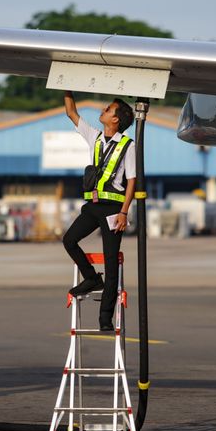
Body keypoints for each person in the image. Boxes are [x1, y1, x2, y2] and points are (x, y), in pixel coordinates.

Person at [62, 91, 136, 331]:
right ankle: (92, 278)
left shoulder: (128, 146)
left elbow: (132, 181)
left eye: (109, 109)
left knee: (112, 262)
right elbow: (71, 112)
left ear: (116, 119)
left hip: (114, 208)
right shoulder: (94, 136)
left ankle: (105, 317)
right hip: (93, 206)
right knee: (69, 240)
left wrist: (124, 212)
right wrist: (67, 87)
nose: (103, 109)